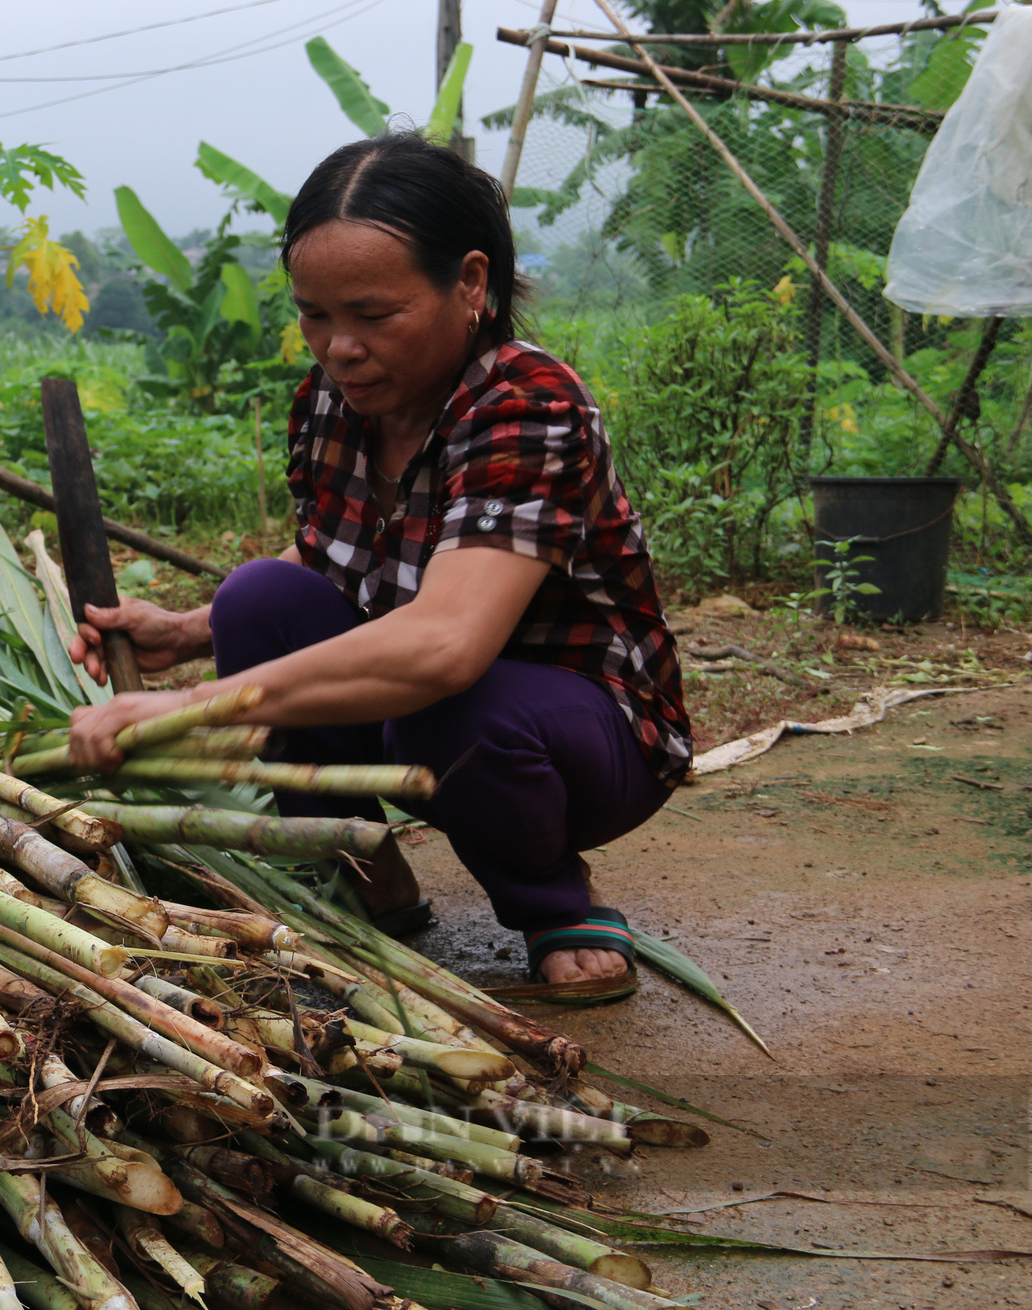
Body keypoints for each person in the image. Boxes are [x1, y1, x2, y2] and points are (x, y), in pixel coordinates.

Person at [66, 133, 690, 990]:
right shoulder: (332, 403)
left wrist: (188, 705)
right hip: (426, 712)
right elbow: (332, 553)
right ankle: (357, 867)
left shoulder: (527, 404)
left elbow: (445, 645)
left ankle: (553, 899)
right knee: (258, 595)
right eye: (314, 314)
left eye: (373, 314)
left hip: (584, 736)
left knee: (447, 704)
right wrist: (186, 631)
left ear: (470, 284)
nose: (337, 347)